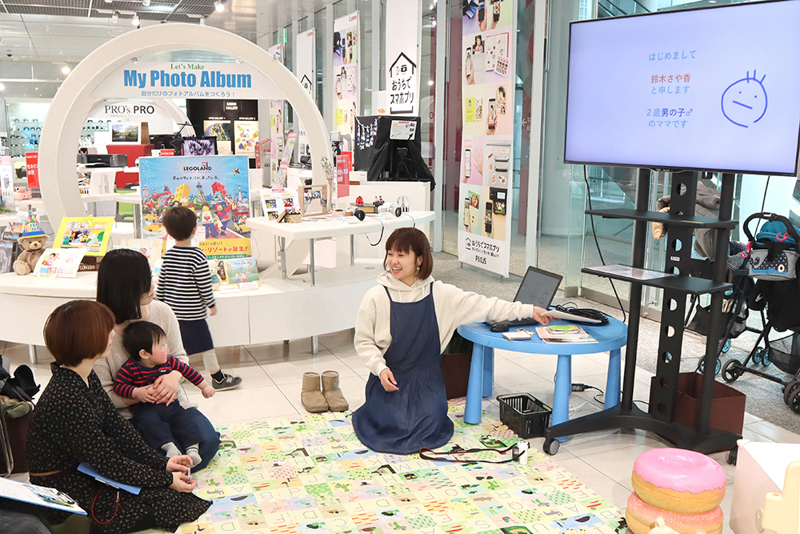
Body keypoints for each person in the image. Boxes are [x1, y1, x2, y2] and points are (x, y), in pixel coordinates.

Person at [351, 228, 551, 455]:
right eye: (390, 254)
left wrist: (529, 310)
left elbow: (487, 306)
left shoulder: (441, 294)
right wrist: (380, 368)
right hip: (391, 380)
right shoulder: (376, 296)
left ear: (419, 259)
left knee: (428, 424)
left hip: (427, 382)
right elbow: (364, 342)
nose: (393, 261)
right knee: (397, 424)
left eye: (401, 255)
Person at [28, 300, 210, 534]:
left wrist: (162, 464)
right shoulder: (67, 396)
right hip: (64, 491)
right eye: (105, 329)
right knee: (169, 501)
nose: (112, 333)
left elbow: (116, 427)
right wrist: (164, 478)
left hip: (86, 469)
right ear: (87, 339)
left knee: (165, 491)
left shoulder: (83, 374)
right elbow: (108, 462)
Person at [95, 248, 220, 470]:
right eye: (146, 281)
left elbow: (181, 358)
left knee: (206, 444)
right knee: (146, 455)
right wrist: (141, 395)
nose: (153, 285)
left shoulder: (162, 311)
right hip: (129, 415)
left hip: (173, 405)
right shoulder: (99, 329)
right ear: (126, 288)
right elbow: (104, 394)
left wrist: (174, 378)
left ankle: (170, 464)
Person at [158, 206, 242, 391]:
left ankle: (175, 375)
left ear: (169, 232)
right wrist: (211, 304)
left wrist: (160, 307)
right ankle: (217, 378)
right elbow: (204, 284)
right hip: (194, 315)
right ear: (195, 229)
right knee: (205, 346)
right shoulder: (197, 256)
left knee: (175, 347)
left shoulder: (169, 256)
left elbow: (162, 285)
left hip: (172, 314)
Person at [114, 321, 216, 466]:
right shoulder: (130, 368)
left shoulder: (170, 362)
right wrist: (136, 392)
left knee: (185, 420)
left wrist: (205, 386)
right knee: (149, 423)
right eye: (162, 346)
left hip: (172, 405)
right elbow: (119, 386)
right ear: (144, 354)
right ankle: (169, 447)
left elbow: (189, 372)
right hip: (146, 409)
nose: (167, 348)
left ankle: (192, 449)